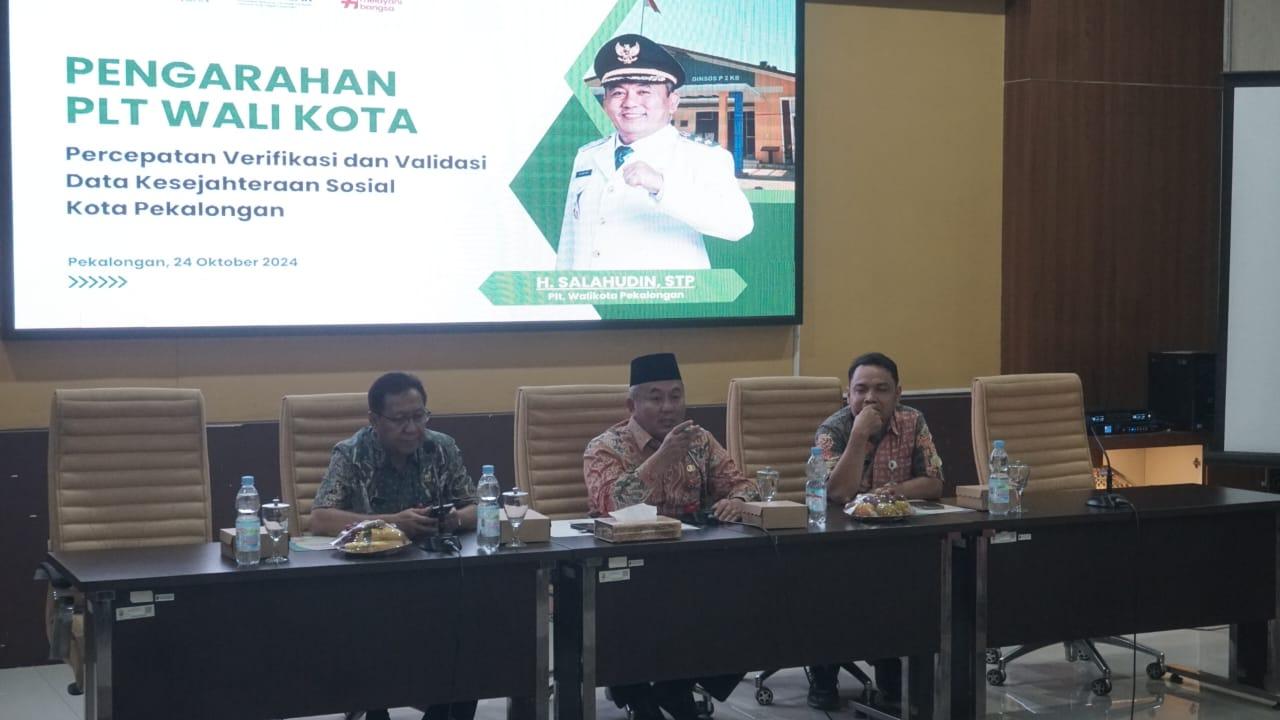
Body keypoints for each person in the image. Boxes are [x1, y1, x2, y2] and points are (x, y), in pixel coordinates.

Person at [582, 352, 754, 719]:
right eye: (656, 398)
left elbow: (744, 484)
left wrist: (738, 500)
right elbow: (610, 502)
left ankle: (673, 687)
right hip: (627, 566)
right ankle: (636, 689)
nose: (668, 407)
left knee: (755, 597)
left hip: (691, 561)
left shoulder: (700, 441)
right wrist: (662, 457)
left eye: (676, 396)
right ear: (632, 405)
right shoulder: (605, 447)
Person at [311, 371, 478, 720]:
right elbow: (321, 518)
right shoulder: (351, 453)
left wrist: (454, 519)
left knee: (473, 637)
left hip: (437, 578)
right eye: (400, 419)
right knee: (375, 644)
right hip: (369, 583)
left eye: (419, 416)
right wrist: (393, 522)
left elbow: (478, 508)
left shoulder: (441, 447)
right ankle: (374, 705)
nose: (412, 428)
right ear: (375, 420)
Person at [806, 352, 944, 711]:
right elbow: (837, 493)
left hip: (897, 537)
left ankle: (891, 663)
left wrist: (898, 490)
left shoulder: (914, 421)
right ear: (848, 395)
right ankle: (824, 671)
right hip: (838, 541)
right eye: (861, 390)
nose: (870, 398)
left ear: (898, 393)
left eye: (881, 389)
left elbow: (934, 482)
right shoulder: (832, 430)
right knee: (832, 585)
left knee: (912, 580)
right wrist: (859, 435)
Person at [555, 33, 754, 271]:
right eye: (618, 92)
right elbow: (570, 240)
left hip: (662, 294)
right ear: (605, 102)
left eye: (644, 92)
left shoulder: (703, 156)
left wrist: (662, 186)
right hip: (592, 292)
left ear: (673, 102)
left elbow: (738, 225)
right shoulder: (587, 156)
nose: (629, 103)